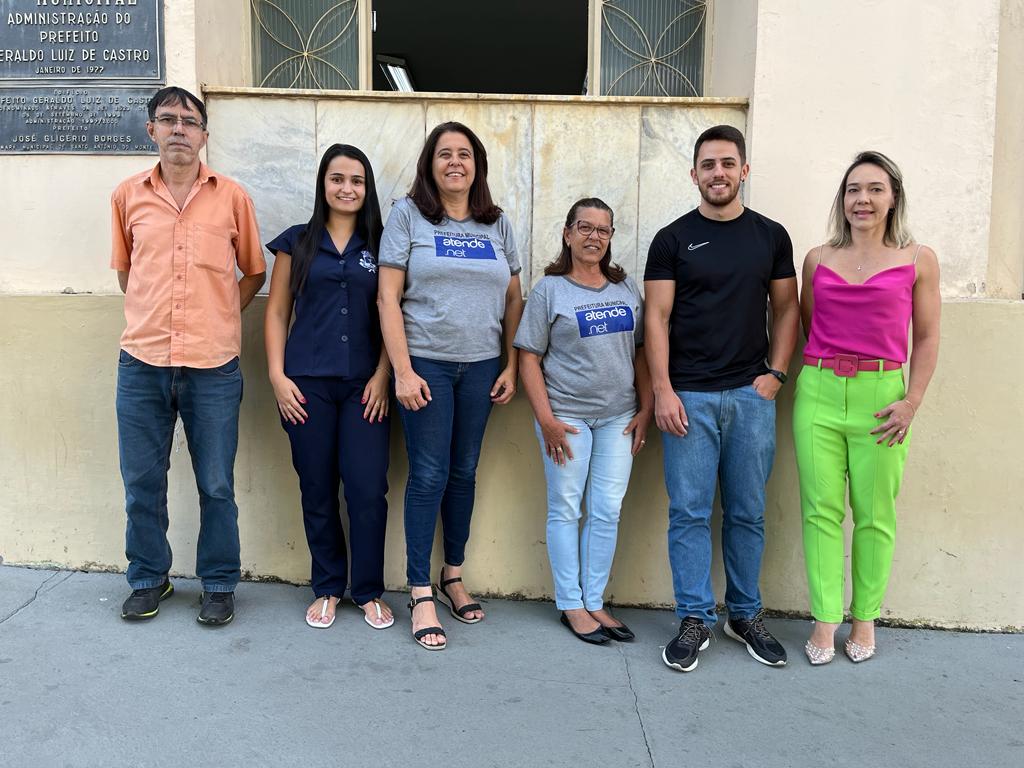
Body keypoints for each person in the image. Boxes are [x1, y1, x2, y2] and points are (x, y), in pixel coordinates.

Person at [644, 124, 799, 671]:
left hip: (751, 396)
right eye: (708, 164)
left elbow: (786, 310)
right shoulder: (671, 239)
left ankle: (745, 613)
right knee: (688, 513)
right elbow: (656, 318)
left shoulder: (771, 236)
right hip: (688, 396)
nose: (718, 173)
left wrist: (775, 375)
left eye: (728, 163)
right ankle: (694, 616)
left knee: (748, 512)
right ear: (694, 174)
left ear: (744, 171)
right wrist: (663, 389)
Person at [112, 87, 266, 626]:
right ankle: (149, 578)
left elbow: (253, 272)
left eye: (190, 121)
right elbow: (127, 272)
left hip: (213, 366)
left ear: (205, 134)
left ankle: (220, 582)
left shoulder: (233, 197)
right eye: (168, 120)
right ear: (151, 130)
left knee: (217, 483)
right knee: (142, 482)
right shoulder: (127, 196)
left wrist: (221, 313)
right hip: (142, 362)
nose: (179, 129)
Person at [377, 121, 524, 651]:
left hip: (482, 367)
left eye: (465, 154)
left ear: (477, 165)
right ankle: (420, 591)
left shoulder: (497, 222)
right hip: (428, 367)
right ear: (430, 164)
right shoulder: (407, 216)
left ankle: (453, 574)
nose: (455, 162)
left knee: (463, 472)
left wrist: (509, 365)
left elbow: (513, 300)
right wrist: (402, 370)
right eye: (445, 154)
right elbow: (387, 298)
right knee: (430, 473)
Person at [796, 151, 940, 665]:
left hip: (883, 399)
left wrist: (912, 401)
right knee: (820, 512)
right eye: (854, 189)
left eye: (875, 189)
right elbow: (810, 325)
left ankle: (865, 619)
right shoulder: (817, 259)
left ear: (893, 197)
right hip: (818, 391)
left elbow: (924, 336)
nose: (863, 199)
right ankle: (825, 619)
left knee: (876, 514)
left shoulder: (918, 258)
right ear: (843, 199)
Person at [264, 144, 394, 631]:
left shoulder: (384, 244)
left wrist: (384, 374)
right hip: (305, 386)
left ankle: (367, 590)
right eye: (337, 178)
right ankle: (327, 586)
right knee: (317, 486)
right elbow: (276, 311)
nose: (347, 188)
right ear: (323, 185)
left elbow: (393, 316)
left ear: (367, 188)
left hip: (367, 387)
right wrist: (277, 376)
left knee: (366, 488)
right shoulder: (295, 242)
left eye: (357, 180)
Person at [516, 198, 651, 645]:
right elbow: (529, 359)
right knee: (566, 508)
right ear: (568, 233)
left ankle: (594, 600)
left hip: (619, 418)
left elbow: (640, 352)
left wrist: (645, 408)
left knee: (607, 510)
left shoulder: (626, 288)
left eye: (604, 230)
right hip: (566, 417)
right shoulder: (549, 290)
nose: (594, 237)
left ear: (611, 238)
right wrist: (546, 420)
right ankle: (570, 604)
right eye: (585, 228)